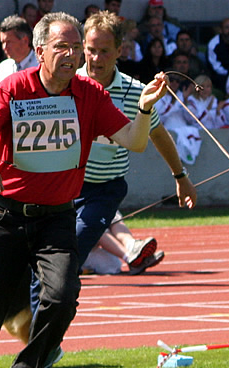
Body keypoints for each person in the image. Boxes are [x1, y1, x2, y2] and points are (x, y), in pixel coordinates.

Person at [0, 12, 169, 368]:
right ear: (39, 52)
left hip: (56, 219)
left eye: (75, 47)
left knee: (63, 297)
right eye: (62, 47)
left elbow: (135, 142)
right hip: (5, 214)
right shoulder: (15, 87)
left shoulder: (89, 93)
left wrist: (143, 109)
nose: (71, 55)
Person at [74, 11, 196, 269]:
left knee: (72, 248)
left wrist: (181, 176)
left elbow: (159, 134)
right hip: (64, 183)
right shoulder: (66, 85)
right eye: (92, 50)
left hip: (104, 189)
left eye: (105, 51)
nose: (96, 59)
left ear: (120, 50)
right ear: (83, 47)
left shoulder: (137, 93)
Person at [82, 212, 165, 276]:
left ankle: (131, 245)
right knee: (95, 227)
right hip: (79, 250)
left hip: (91, 247)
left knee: (114, 266)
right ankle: (130, 257)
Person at [0, 15, 37, 88]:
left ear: (25, 41)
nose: (4, 47)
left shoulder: (42, 66)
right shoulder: (3, 67)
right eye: (2, 42)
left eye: (9, 42)